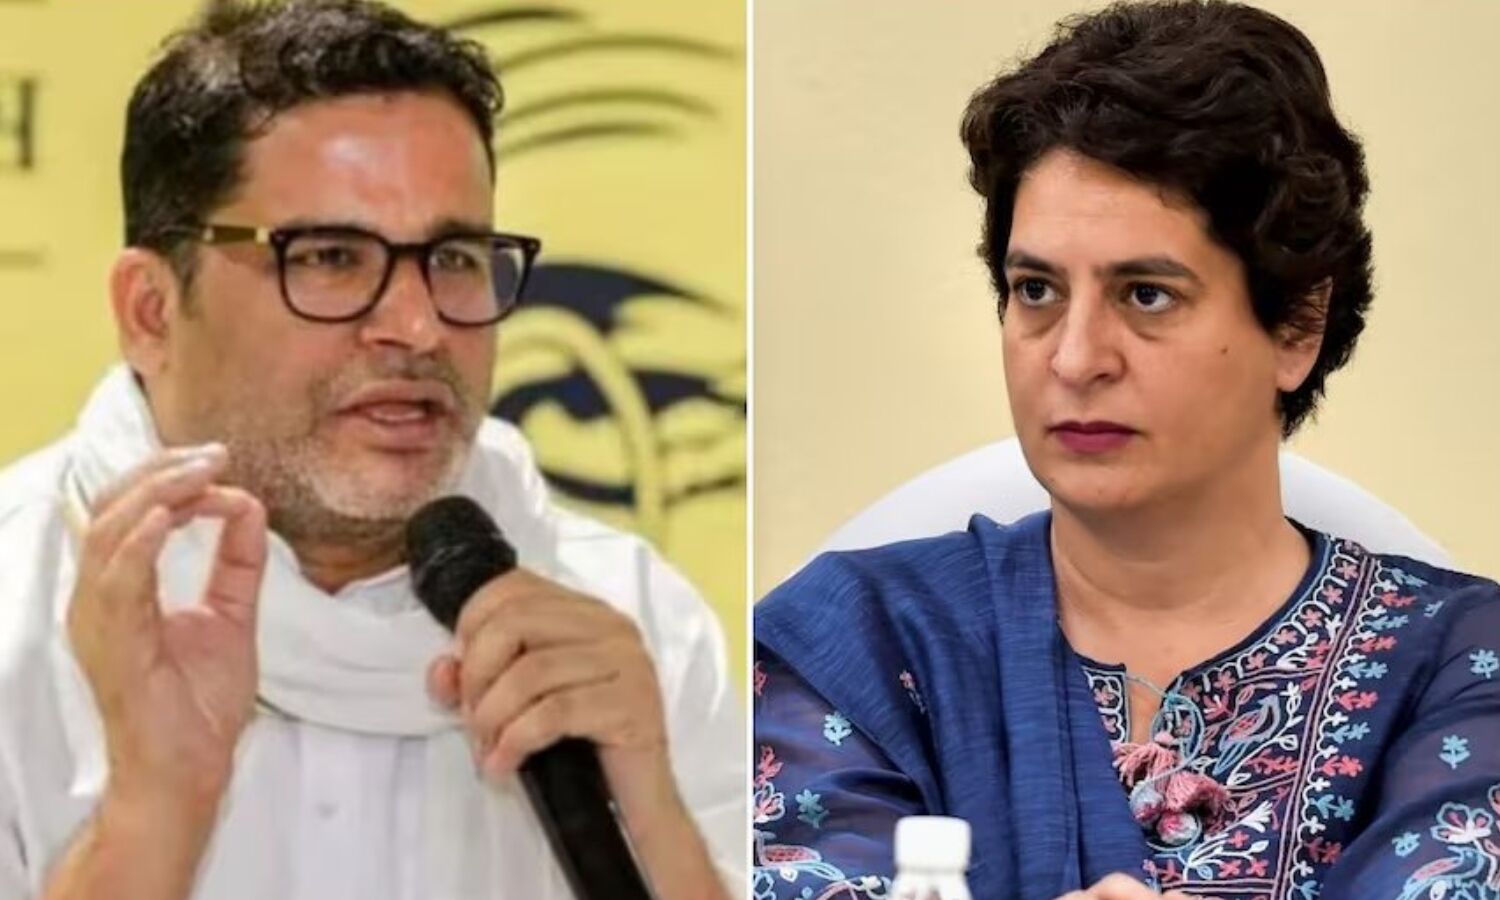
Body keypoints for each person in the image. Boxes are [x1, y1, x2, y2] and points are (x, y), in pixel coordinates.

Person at [752, 2, 1500, 899]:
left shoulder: (1457, 666)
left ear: (1298, 325)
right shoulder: (860, 646)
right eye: (1036, 290)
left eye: (1146, 295)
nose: (1074, 359)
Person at [0, 2, 743, 898]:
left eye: (455, 258)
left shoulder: (631, 619)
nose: (418, 326)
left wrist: (650, 814)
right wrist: (148, 818)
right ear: (151, 312)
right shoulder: (17, 603)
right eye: (329, 257)